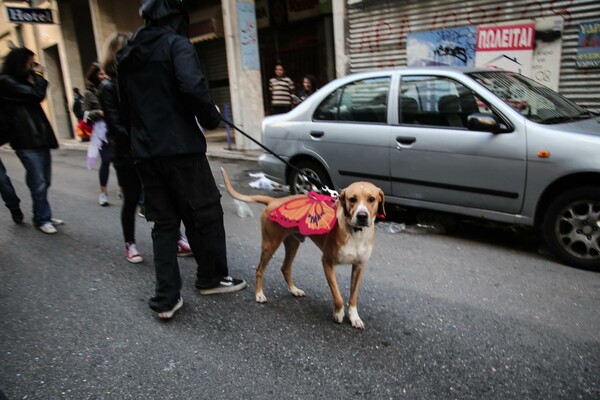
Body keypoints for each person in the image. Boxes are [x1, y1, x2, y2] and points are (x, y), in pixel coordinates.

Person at [118, 0, 247, 319]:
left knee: (164, 223)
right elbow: (193, 88)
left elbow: (125, 109)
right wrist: (212, 115)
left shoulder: (128, 55)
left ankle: (166, 298)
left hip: (146, 152)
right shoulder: (177, 45)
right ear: (177, 17)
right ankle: (212, 277)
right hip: (180, 149)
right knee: (205, 212)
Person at [0, 47, 62, 234]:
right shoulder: (6, 81)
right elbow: (37, 94)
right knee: (39, 181)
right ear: (21, 62)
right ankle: (42, 219)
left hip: (39, 137)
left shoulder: (20, 82)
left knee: (45, 181)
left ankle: (42, 215)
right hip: (25, 139)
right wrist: (38, 75)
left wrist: (34, 76)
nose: (33, 66)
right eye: (30, 62)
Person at [83, 62, 121, 206]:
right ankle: (103, 192)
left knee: (120, 160)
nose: (103, 76)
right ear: (94, 76)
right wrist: (98, 112)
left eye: (104, 73)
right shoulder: (89, 93)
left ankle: (121, 188)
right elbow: (83, 113)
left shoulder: (113, 86)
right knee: (106, 160)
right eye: (100, 73)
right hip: (102, 131)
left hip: (116, 127)